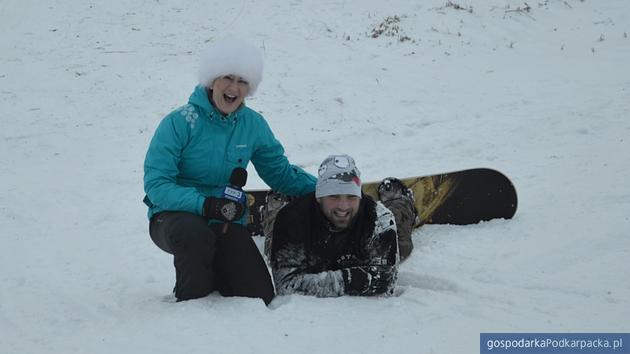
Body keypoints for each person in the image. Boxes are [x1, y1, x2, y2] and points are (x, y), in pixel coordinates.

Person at [143, 38, 316, 305]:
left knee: (259, 295)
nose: (234, 88)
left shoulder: (253, 125)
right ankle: (190, 305)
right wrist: (206, 205)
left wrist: (326, 190)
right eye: (227, 77)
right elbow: (157, 186)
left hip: (224, 221)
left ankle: (219, 277)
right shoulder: (179, 122)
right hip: (172, 218)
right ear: (212, 80)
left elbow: (280, 173)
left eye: (243, 81)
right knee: (195, 235)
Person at [267, 154, 418, 297]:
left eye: (351, 196)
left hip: (349, 245)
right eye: (333, 196)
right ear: (319, 197)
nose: (343, 206)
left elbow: (385, 282)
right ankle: (274, 210)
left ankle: (401, 204)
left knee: (401, 241)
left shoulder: (380, 218)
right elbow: (286, 286)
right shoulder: (292, 218)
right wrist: (357, 279)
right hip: (308, 232)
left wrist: (333, 280)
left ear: (360, 197)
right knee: (272, 241)